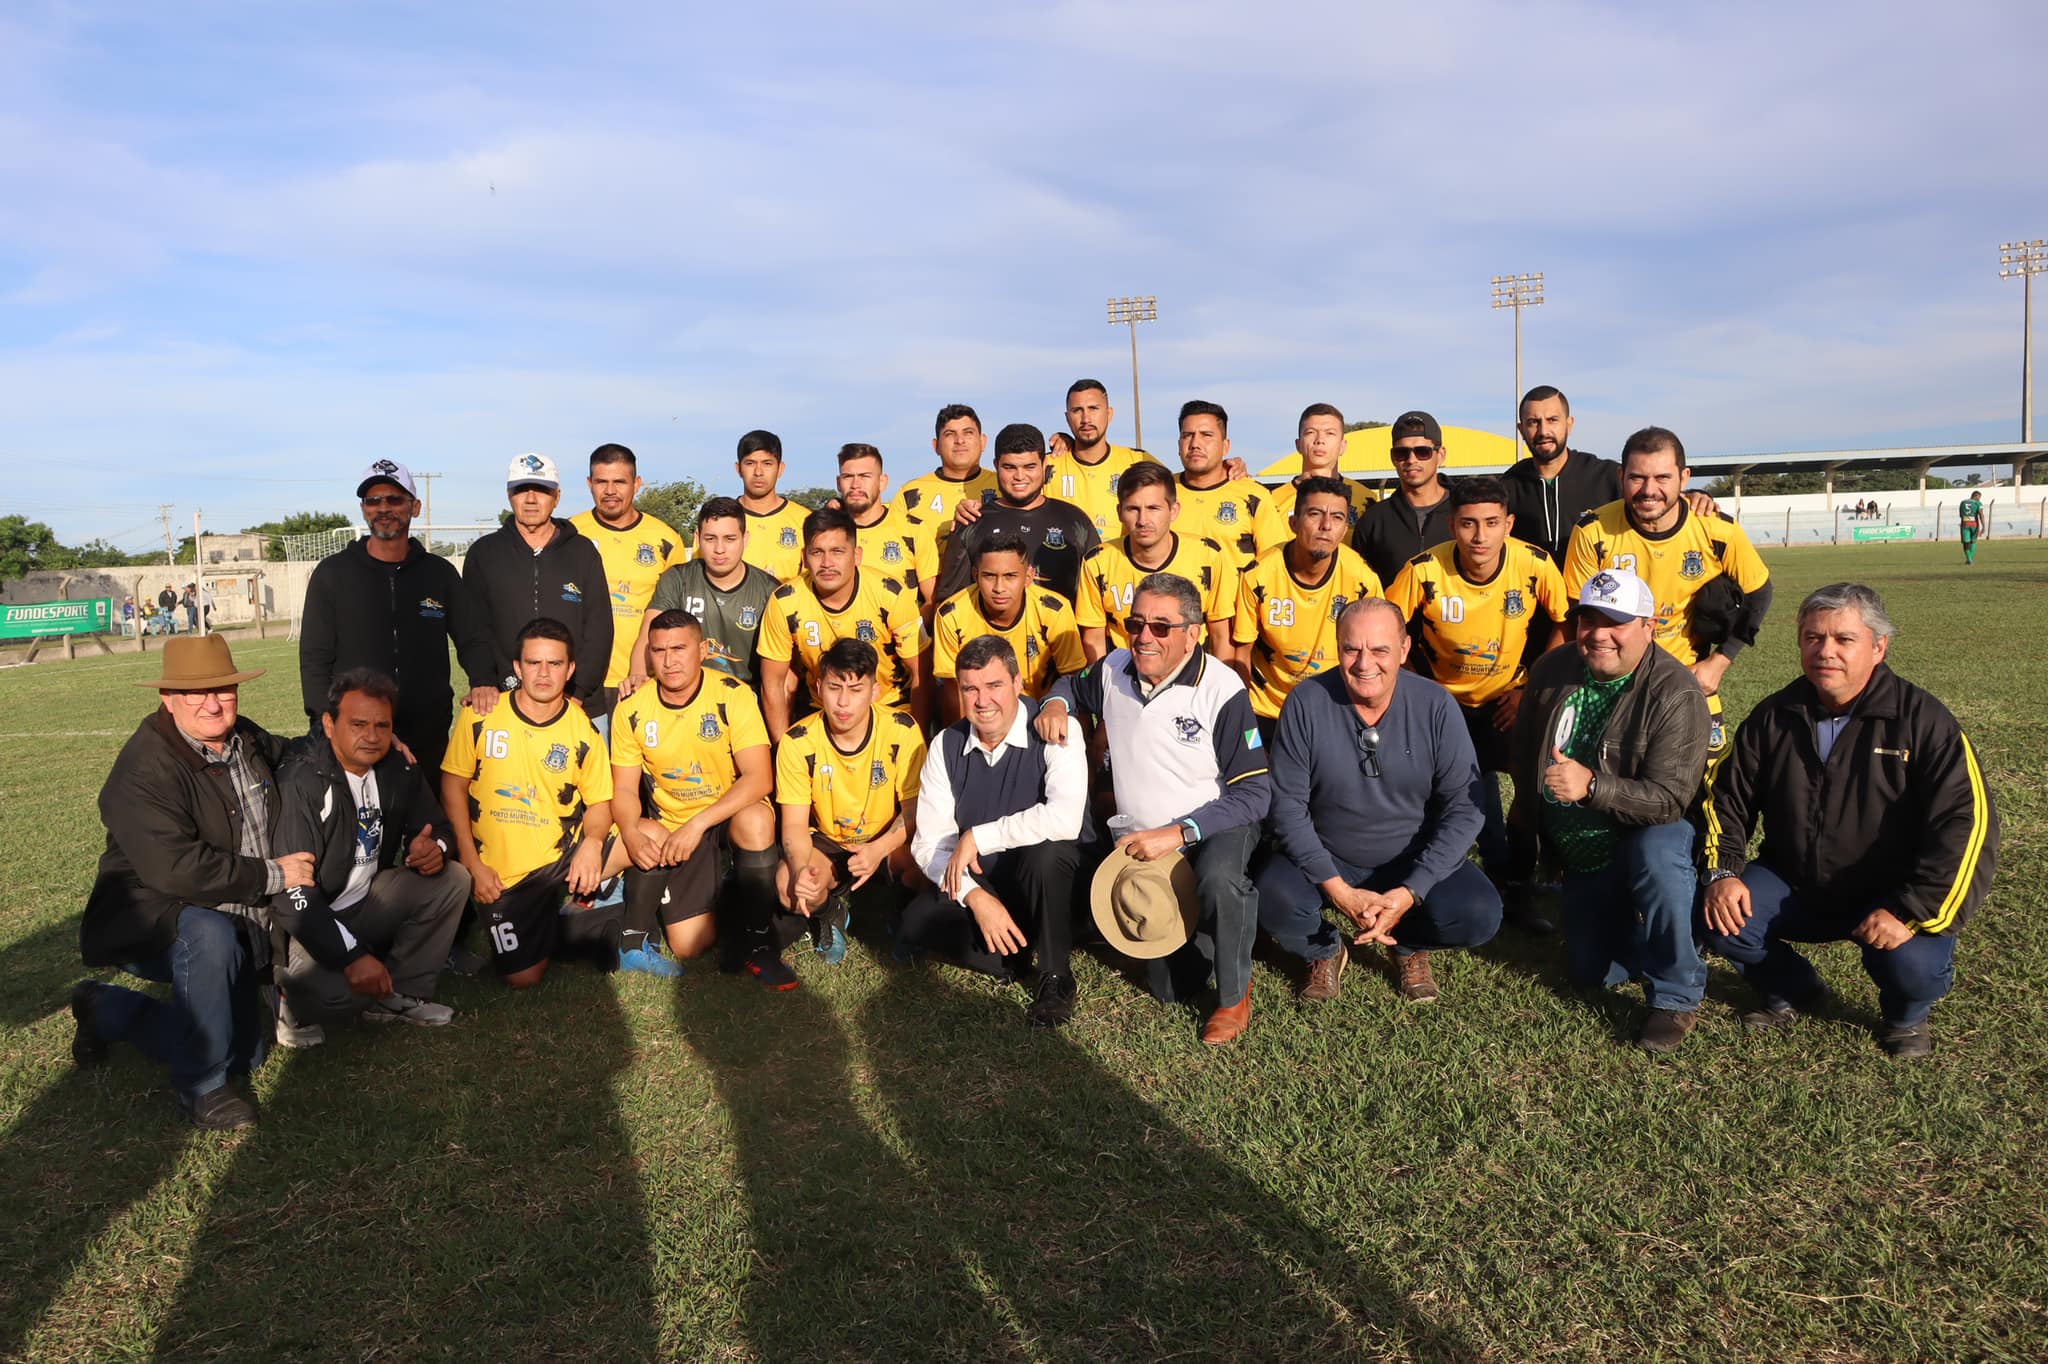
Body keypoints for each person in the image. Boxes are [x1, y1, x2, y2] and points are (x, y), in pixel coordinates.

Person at [1698, 583, 1997, 1059]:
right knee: (1720, 916)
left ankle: (1905, 1016)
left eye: (1844, 639)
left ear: (1879, 647)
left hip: (1891, 892)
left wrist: (1913, 910)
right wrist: (1723, 872)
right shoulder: (1774, 716)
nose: (1825, 651)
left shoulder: (1924, 721)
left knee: (1913, 962)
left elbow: (1967, 826)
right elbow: (1726, 797)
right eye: (1813, 638)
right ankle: (1793, 988)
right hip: (1795, 881)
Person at [72, 635, 312, 1129]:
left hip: (232, 915)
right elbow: (177, 871)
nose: (212, 703)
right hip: (155, 917)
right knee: (209, 936)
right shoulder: (143, 768)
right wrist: (275, 873)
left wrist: (351, 741)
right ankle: (201, 1086)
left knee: (247, 1056)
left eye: (223, 689)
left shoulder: (244, 738)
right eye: (194, 692)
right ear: (168, 698)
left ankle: (103, 1007)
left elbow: (295, 754)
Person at [1038, 573, 1271, 1045]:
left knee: (1219, 879)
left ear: (1193, 633)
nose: (1144, 637)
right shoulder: (1113, 668)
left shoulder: (1222, 688)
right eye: (1135, 623)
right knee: (1170, 988)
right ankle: (1204, 932)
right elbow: (1069, 683)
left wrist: (1180, 832)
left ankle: (1233, 996)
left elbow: (1254, 792)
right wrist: (1057, 703)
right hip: (1142, 839)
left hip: (1214, 824)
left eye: (1161, 627)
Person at [1508, 568, 1711, 1054]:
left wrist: (1593, 786)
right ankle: (1669, 928)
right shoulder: (1552, 670)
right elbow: (1524, 758)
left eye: (1615, 622)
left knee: (1658, 854)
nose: (1598, 634)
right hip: (1582, 855)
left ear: (1649, 626)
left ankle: (1675, 995)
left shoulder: (1677, 693)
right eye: (1588, 620)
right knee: (1589, 971)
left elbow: (1669, 800)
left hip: (1643, 836)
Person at [1259, 600, 1502, 1004]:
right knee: (1270, 898)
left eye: (1379, 650)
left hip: (1411, 852)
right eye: (1351, 649)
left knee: (1478, 914)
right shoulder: (1306, 702)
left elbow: (1464, 806)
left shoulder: (1436, 705)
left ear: (1404, 650)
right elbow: (1287, 806)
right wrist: (1339, 891)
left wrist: (1412, 889)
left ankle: (1407, 941)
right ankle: (1325, 949)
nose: (1364, 663)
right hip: (1330, 851)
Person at [1386, 476, 1569, 912]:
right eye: (1468, 524)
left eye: (1491, 523)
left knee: (1531, 788)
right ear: (1452, 525)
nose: (1480, 536)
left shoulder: (1535, 564)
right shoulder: (1423, 570)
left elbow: (1566, 623)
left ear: (1508, 524)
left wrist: (1530, 688)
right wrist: (1424, 690)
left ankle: (1520, 882)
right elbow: (1386, 632)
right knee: (1467, 790)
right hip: (1445, 703)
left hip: (1508, 699)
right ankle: (1473, 875)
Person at [268, 669, 469, 1048]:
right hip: (308, 919)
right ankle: (287, 1001)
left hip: (364, 902)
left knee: (452, 879)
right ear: (330, 725)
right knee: (341, 994)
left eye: (382, 725)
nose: (372, 736)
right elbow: (293, 898)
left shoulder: (397, 766)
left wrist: (435, 849)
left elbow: (440, 827)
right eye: (358, 724)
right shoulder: (303, 781)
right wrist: (352, 956)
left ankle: (401, 995)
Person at [904, 634, 1089, 1027]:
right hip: (989, 882)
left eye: (994, 685)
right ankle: (1015, 949)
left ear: (1018, 683)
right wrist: (975, 898)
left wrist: (978, 836)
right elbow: (929, 843)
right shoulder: (945, 745)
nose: (982, 700)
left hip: (1050, 879)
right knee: (915, 921)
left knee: (1047, 853)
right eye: (970, 689)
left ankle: (1055, 976)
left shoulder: (1057, 729)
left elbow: (1065, 818)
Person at [1562, 426, 1773, 768]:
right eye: (1637, 478)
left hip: (1688, 679)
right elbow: (1579, 617)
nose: (1649, 490)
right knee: (1608, 783)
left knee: (1703, 784)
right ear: (1621, 476)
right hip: (1613, 685)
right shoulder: (1593, 532)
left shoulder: (1718, 530)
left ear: (1684, 478)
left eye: (1662, 477)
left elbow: (1760, 592)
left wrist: (1720, 661)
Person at [610, 610, 796, 989]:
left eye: (679, 649)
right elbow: (625, 789)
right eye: (659, 651)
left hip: (725, 816)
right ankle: (733, 897)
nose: (669, 660)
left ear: (703, 649)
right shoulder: (632, 709)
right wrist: (629, 831)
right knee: (690, 945)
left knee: (757, 820)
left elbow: (760, 778)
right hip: (674, 825)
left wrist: (698, 825)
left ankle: (760, 942)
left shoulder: (733, 694)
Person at [439, 618, 618, 987]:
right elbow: (452, 788)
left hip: (560, 854)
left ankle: (611, 919)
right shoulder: (481, 716)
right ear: (517, 667)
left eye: (555, 663)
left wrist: (593, 842)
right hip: (501, 875)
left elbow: (601, 803)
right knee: (523, 979)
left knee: (647, 837)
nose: (544, 673)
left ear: (570, 669)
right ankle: (572, 924)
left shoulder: (583, 730)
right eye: (534, 663)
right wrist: (472, 864)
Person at [299, 459, 498, 778]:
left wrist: (483, 679)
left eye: (394, 499)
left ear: (415, 507)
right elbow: (314, 659)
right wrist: (326, 721)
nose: (383, 508)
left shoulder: (439, 574)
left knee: (430, 812)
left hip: (427, 737)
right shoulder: (332, 574)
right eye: (373, 500)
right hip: (356, 737)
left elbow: (472, 638)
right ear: (363, 509)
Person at [774, 638, 926, 963]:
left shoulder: (902, 730)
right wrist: (801, 871)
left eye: (856, 690)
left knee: (930, 859)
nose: (843, 702)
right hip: (829, 842)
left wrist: (879, 848)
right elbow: (794, 826)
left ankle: (902, 910)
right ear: (818, 688)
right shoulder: (797, 741)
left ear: (875, 692)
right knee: (788, 885)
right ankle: (830, 912)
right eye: (834, 688)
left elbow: (915, 811)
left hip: (887, 838)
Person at [1231, 476, 1384, 741]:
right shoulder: (1257, 575)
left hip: (1334, 709)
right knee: (1257, 767)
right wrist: (1243, 723)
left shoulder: (1362, 579)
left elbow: (1378, 653)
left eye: (1337, 517)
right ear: (1293, 522)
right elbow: (1240, 654)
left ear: (1344, 528)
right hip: (1266, 711)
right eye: (1314, 514)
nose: (1326, 525)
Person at [461, 453, 613, 713]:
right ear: (509, 495)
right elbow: (473, 628)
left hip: (577, 704)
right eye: (521, 490)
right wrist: (484, 680)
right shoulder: (484, 553)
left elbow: (599, 629)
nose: (531, 499)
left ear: (557, 497)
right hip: (504, 700)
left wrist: (577, 692)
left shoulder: (582, 551)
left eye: (542, 490)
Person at [757, 506, 926, 740]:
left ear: (857, 555)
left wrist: (919, 741)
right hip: (822, 710)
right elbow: (774, 683)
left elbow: (921, 673)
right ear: (804, 557)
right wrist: (781, 747)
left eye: (837, 551)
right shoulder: (784, 602)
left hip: (888, 706)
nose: (827, 563)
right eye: (817, 552)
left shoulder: (890, 594)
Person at [569, 443, 686, 730]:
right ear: (589, 484)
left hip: (643, 679)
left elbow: (674, 617)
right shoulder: (570, 533)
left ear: (637, 483)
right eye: (602, 482)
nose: (610, 491)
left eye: (620, 482)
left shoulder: (665, 539)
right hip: (580, 682)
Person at [1073, 461, 1239, 661]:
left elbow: (1221, 636)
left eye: (1153, 508)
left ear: (1174, 510)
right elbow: (1094, 640)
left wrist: (1220, 682)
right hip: (1125, 671)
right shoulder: (1097, 562)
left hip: (1191, 671)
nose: (1143, 520)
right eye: (1133, 509)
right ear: (1119, 512)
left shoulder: (1208, 556)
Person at [931, 423, 1100, 605]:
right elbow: (950, 604)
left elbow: (1100, 593)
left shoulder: (1074, 520)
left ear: (1044, 465)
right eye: (1009, 467)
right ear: (996, 465)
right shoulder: (971, 521)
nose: (1019, 476)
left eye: (1029, 467)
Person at [630, 496, 780, 693]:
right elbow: (648, 637)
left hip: (746, 696)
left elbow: (780, 672)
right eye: (710, 539)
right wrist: (638, 676)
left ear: (745, 539)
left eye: (730, 539)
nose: (719, 549)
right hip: (687, 694)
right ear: (698, 538)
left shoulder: (769, 590)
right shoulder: (678, 579)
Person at [932, 533, 1086, 722]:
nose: (999, 587)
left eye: (1010, 576)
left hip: (1041, 717)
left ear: (1028, 576)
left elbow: (1073, 682)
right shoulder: (951, 616)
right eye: (989, 576)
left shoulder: (1055, 612)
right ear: (975, 575)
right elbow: (954, 692)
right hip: (982, 716)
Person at [894, 404, 999, 597]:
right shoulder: (910, 494)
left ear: (983, 441)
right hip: (931, 601)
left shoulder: (1003, 484)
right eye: (950, 434)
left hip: (996, 597)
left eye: (968, 433)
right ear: (936, 446)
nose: (960, 440)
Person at [1169, 400, 1286, 565]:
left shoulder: (1254, 495)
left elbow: (1274, 563)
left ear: (1225, 446)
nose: (1195, 444)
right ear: (1179, 445)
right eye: (1187, 435)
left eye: (1206, 435)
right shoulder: (1162, 493)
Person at [1351, 411, 1455, 586]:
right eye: (1402, 453)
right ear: (1393, 457)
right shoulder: (1373, 521)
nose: (1411, 460)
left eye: (1422, 452)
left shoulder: (1466, 513)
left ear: (1441, 455)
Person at [1046, 378, 1157, 539]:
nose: (1086, 419)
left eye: (1093, 408)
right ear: (1067, 417)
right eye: (1077, 410)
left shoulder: (1138, 461)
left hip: (1121, 555)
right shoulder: (1046, 465)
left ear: (1109, 414)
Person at [835, 442, 929, 597]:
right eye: (848, 477)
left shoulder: (913, 529)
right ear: (839, 483)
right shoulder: (827, 533)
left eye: (865, 476)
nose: (855, 485)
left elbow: (931, 599)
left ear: (882, 482)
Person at [1268, 403, 1376, 528]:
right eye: (1310, 432)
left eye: (1329, 433)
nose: (1319, 440)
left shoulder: (1366, 500)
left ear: (1342, 446)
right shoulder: (1272, 502)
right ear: (1298, 445)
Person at [733, 430, 811, 582]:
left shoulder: (805, 520)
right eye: (750, 463)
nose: (758, 472)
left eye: (767, 463)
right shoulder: (720, 520)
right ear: (739, 469)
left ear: (780, 468)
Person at [1958, 489, 1985, 564]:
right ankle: (1969, 559)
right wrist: (1983, 526)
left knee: (1966, 542)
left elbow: (1960, 515)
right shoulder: (1978, 503)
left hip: (1965, 524)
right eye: (1979, 497)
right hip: (1974, 524)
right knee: (1973, 541)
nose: (1979, 499)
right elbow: (1981, 515)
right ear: (1975, 495)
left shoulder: (1963, 502)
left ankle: (1969, 559)